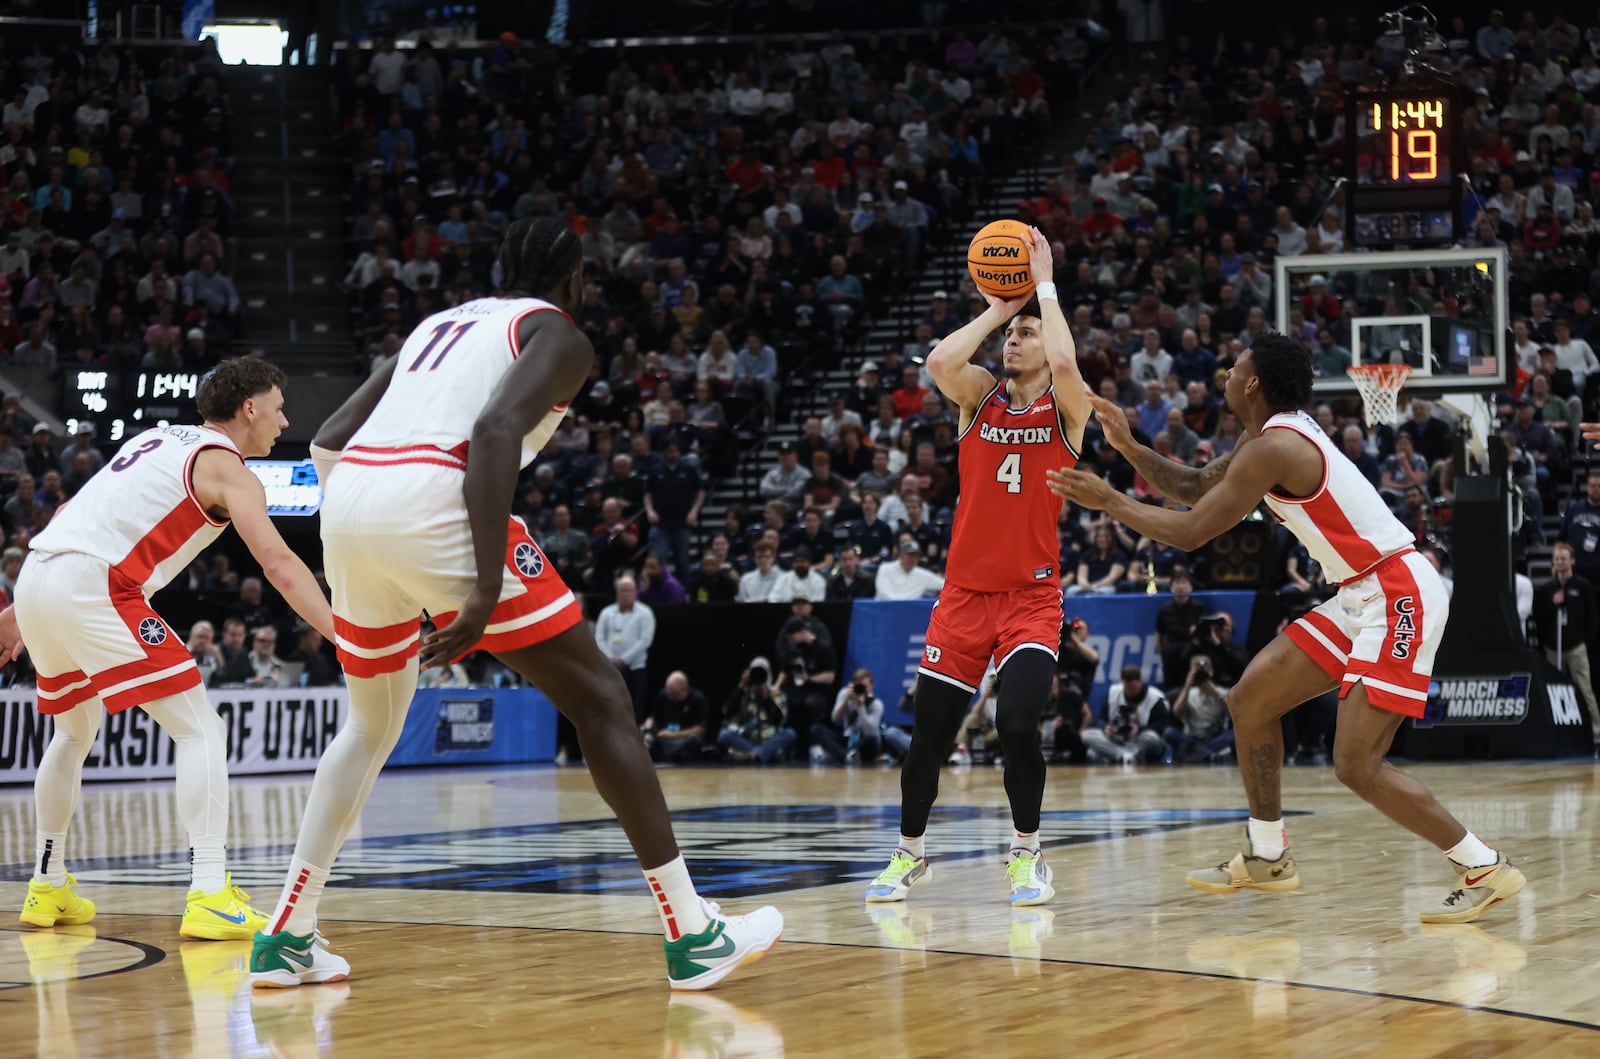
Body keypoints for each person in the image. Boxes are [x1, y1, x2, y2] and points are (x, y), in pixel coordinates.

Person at [250, 218, 779, 990]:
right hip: (435, 497)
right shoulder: (559, 332)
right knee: (602, 701)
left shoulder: (437, 325)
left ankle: (286, 933)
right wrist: (482, 586)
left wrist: (373, 531)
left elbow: (328, 438)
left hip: (352, 502)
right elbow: (496, 429)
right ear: (575, 281)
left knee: (367, 728)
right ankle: (692, 932)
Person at [1048, 333, 1525, 923]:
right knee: (1250, 700)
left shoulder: (1272, 447)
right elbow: (1197, 486)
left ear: (1252, 383)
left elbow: (1193, 530)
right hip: (1361, 593)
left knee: (1356, 765)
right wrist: (1128, 446)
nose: (1225, 372)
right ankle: (1269, 855)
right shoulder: (1264, 440)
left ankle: (1482, 865)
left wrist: (1111, 501)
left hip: (1398, 593)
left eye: (1234, 366)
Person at [2, 357, 336, 941]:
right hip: (100, 584)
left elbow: (67, 514)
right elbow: (281, 565)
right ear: (249, 408)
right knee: (199, 729)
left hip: (40, 571)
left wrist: (18, 610)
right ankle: (210, 891)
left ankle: (47, 883)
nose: (285, 423)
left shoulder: (156, 438)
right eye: (280, 409)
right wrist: (344, 634)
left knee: (74, 734)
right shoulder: (231, 472)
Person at [866, 228, 1090, 908]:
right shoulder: (980, 397)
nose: (1014, 342)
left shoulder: (1066, 409)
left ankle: (1026, 852)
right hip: (963, 596)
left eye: (1025, 334)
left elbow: (1065, 360)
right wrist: (999, 305)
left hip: (1031, 598)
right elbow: (939, 359)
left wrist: (1043, 286)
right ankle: (910, 853)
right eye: (1009, 335)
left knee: (1017, 723)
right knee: (928, 737)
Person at [1532, 543, 1600, 742]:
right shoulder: (1548, 589)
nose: (1560, 562)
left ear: (1572, 561)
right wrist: (1553, 604)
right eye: (1557, 559)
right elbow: (1539, 617)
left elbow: (1592, 617)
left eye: (1564, 558)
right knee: (1554, 690)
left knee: (1584, 689)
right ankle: (1556, 732)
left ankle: (1596, 733)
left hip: (1576, 647)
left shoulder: (1582, 586)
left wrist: (1585, 640)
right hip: (1553, 648)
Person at [594, 573, 656, 724]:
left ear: (635, 591)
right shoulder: (606, 613)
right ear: (617, 592)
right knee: (611, 707)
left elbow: (645, 641)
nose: (626, 594)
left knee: (635, 708)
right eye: (623, 590)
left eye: (629, 590)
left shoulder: (645, 613)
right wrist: (610, 658)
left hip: (635, 668)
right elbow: (599, 638)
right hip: (610, 669)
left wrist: (625, 658)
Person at [1081, 664, 1169, 763]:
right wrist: (1106, 727)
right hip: (1116, 739)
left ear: (1141, 681)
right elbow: (1100, 718)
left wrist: (1138, 730)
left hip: (1140, 740)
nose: (1131, 691)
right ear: (1123, 683)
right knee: (1087, 735)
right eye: (1128, 688)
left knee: (1151, 738)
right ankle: (1124, 755)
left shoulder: (1154, 698)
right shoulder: (1113, 693)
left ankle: (1131, 754)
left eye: (1134, 688)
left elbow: (1162, 725)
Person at [642, 671, 711, 764]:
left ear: (685, 689)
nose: (670, 697)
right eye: (669, 693)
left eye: (674, 695)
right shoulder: (663, 695)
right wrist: (647, 726)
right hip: (662, 738)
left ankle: (669, 754)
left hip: (682, 739)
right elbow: (653, 717)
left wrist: (673, 735)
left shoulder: (697, 699)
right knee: (646, 735)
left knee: (695, 739)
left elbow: (700, 729)